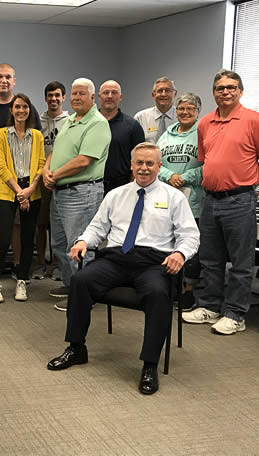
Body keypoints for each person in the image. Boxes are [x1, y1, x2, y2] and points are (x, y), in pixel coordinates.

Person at [47, 142, 199, 395]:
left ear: (159, 166)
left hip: (154, 262)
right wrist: (83, 241)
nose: (144, 168)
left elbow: (190, 235)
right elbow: (97, 227)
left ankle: (149, 364)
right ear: (131, 165)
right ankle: (76, 348)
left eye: (150, 163)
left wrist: (180, 253)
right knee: (81, 281)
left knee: (158, 293)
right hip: (116, 259)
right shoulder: (116, 195)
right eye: (139, 162)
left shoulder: (174, 197)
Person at [183, 70, 259, 334]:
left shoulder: (255, 120)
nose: (226, 91)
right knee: (210, 259)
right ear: (214, 93)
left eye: (231, 87)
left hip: (239, 201)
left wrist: (250, 185)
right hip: (210, 200)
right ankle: (210, 307)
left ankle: (235, 314)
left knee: (240, 263)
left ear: (240, 91)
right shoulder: (205, 123)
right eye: (220, 88)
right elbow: (205, 160)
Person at [43, 78, 111, 310]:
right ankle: (72, 285)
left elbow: (84, 160)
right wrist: (46, 170)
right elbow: (55, 151)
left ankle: (84, 297)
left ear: (92, 97)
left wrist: (55, 175)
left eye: (82, 93)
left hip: (82, 193)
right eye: (74, 93)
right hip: (60, 192)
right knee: (59, 243)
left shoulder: (98, 123)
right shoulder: (71, 120)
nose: (76, 97)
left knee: (80, 246)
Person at [0, 63, 41, 281]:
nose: (4, 80)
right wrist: (17, 189)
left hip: (26, 185)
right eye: (0, 76)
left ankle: (18, 268)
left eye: (8, 77)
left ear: (14, 81)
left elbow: (39, 158)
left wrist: (28, 189)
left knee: (19, 229)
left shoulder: (33, 124)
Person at [0, 94, 45, 303]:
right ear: (11, 110)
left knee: (28, 239)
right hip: (7, 190)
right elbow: (0, 164)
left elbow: (41, 163)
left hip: (32, 190)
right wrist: (19, 191)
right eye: (17, 107)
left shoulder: (37, 135)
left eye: (25, 107)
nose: (21, 110)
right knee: (4, 239)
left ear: (29, 110)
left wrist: (30, 189)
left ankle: (22, 280)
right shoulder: (1, 134)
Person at [157, 93, 204, 305]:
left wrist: (184, 177)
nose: (185, 112)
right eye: (181, 108)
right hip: (166, 200)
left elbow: (209, 165)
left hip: (194, 201)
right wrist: (170, 176)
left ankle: (188, 290)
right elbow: (155, 162)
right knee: (167, 243)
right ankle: (170, 286)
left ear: (197, 112)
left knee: (190, 245)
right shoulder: (167, 135)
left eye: (190, 109)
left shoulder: (203, 133)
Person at [32, 81, 69, 281]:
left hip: (62, 178)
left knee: (58, 226)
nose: (53, 99)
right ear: (45, 98)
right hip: (41, 178)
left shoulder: (70, 122)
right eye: (50, 95)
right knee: (40, 223)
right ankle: (40, 263)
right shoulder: (37, 121)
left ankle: (57, 264)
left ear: (63, 98)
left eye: (57, 95)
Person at [99, 80, 145, 194]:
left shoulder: (133, 126)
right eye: (106, 92)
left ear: (120, 97)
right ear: (99, 96)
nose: (110, 96)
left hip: (121, 187)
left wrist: (132, 188)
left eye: (114, 93)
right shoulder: (89, 123)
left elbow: (139, 159)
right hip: (91, 187)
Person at [134, 77, 177, 143]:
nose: (163, 94)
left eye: (167, 90)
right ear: (153, 95)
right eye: (160, 91)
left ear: (175, 94)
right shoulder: (141, 118)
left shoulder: (182, 117)